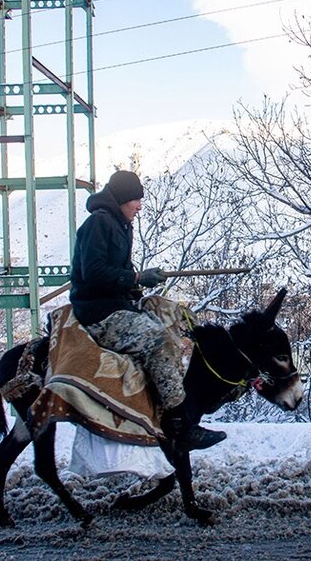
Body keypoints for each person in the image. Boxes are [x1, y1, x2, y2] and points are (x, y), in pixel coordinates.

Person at [69, 170, 226, 452]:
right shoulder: (98, 224)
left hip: (117, 305)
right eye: (136, 201)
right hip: (99, 314)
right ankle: (179, 424)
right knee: (158, 338)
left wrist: (136, 286)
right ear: (122, 199)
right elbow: (91, 273)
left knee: (170, 326)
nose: (139, 207)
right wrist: (137, 278)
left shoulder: (120, 224)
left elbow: (118, 271)